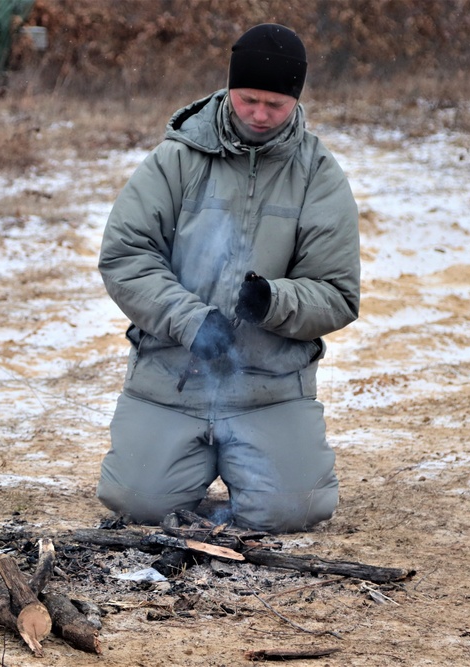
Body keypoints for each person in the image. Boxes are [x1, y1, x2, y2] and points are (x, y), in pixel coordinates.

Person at [96, 23, 360, 533]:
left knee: (295, 510)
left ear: (296, 100)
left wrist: (273, 301)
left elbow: (338, 293)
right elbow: (125, 255)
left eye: (275, 105)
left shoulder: (319, 175)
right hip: (171, 379)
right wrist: (191, 321)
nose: (260, 115)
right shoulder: (175, 158)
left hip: (269, 386)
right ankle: (186, 458)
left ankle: (252, 460)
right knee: (136, 502)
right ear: (229, 88)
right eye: (248, 100)